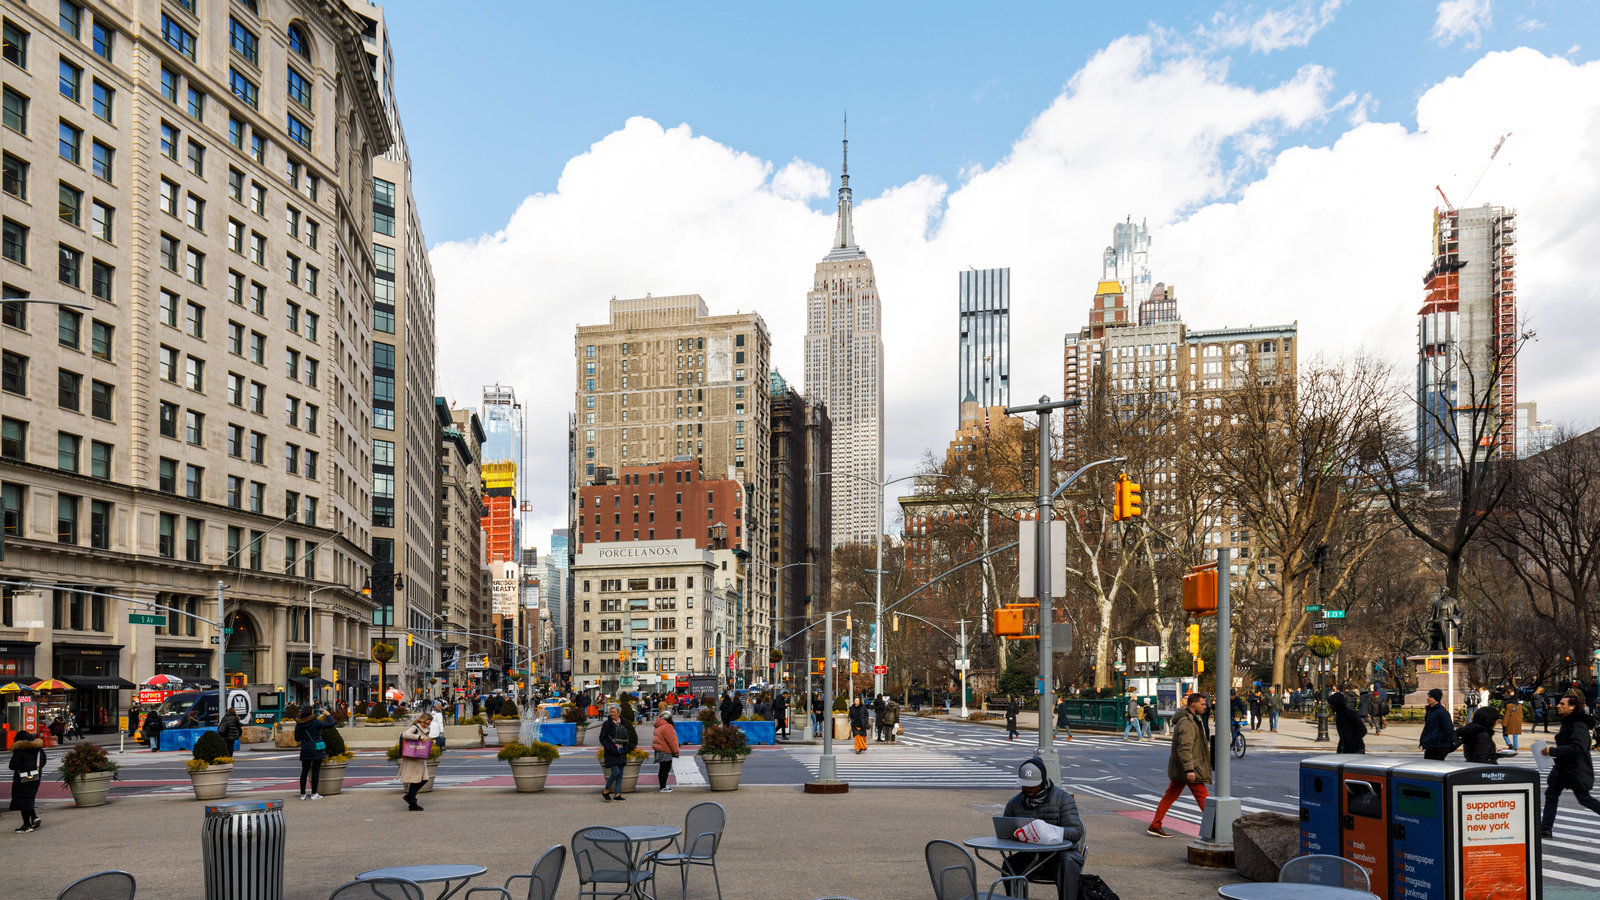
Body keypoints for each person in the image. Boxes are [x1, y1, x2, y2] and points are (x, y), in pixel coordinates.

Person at [1001, 757, 1086, 900]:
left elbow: (1077, 831)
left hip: (1061, 854)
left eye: (1033, 786)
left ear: (1043, 781)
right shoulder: (1014, 803)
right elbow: (1005, 832)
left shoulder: (1062, 799)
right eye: (1025, 786)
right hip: (1031, 856)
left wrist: (1049, 832)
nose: (1028, 790)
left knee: (1068, 863)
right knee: (1009, 865)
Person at [1148, 693, 1212, 838]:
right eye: (1202, 704)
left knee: (1170, 796)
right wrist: (1189, 769)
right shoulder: (1188, 723)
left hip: (1181, 768)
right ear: (1193, 705)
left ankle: (1155, 824)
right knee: (1204, 799)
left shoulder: (1190, 720)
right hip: (1189, 768)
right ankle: (1215, 827)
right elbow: (1184, 747)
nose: (1205, 706)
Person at [1538, 694, 1600, 838]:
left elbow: (1578, 747)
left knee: (1584, 798)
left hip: (1575, 769)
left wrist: (1552, 751)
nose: (1558, 706)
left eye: (1562, 704)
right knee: (1551, 794)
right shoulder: (1570, 723)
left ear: (1572, 707)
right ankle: (1545, 828)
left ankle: (1545, 828)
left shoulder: (1578, 725)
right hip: (1564, 769)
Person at [7, 730, 46, 833]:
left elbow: (12, 765)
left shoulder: (19, 750)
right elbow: (43, 762)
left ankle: (27, 825)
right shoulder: (39, 750)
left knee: (23, 801)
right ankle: (34, 817)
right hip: (35, 777)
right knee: (28, 799)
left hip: (22, 778)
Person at [294, 706, 332, 800]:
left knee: (304, 771)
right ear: (311, 713)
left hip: (305, 748)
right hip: (316, 749)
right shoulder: (315, 722)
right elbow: (330, 724)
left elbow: (297, 738)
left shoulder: (299, 724)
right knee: (315, 771)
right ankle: (314, 794)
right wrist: (328, 715)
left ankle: (303, 794)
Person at [397, 712, 431, 811]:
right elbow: (405, 734)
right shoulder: (415, 727)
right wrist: (419, 737)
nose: (426, 725)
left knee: (423, 779)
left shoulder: (425, 729)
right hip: (413, 757)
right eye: (425, 723)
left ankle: (410, 798)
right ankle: (412, 802)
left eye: (428, 724)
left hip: (419, 757)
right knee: (417, 779)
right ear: (421, 720)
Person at [599, 705, 627, 802]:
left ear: (619, 713)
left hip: (622, 751)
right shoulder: (607, 724)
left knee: (620, 774)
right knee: (616, 771)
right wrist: (610, 747)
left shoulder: (623, 723)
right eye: (611, 711)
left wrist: (627, 747)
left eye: (614, 712)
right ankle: (606, 791)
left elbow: (628, 736)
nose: (612, 714)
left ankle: (617, 794)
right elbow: (602, 738)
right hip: (611, 752)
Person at [1420, 688, 1456, 760]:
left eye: (1430, 697)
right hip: (1431, 746)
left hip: (1438, 747)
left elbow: (1448, 730)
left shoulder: (1442, 712)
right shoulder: (1431, 711)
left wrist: (1434, 739)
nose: (1427, 698)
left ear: (1436, 698)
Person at [652, 709, 680, 792]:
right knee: (666, 769)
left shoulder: (658, 726)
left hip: (659, 750)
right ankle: (663, 787)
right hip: (666, 750)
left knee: (662, 769)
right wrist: (676, 751)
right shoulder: (667, 726)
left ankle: (662, 785)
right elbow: (672, 741)